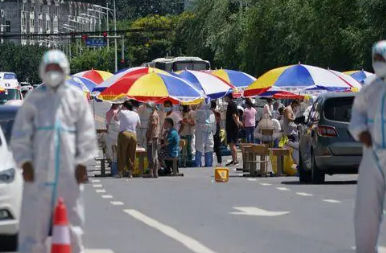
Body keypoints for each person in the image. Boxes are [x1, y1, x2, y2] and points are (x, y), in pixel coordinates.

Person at [10, 50, 97, 253]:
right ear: (42, 71)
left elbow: (86, 132)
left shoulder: (75, 98)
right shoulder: (34, 99)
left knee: (73, 220)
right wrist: (25, 163)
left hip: (69, 170)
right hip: (38, 172)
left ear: (64, 70)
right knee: (33, 223)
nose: (53, 72)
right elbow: (21, 133)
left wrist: (82, 162)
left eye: (57, 69)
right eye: (49, 69)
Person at [349, 40, 386, 253]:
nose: (378, 63)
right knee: (366, 209)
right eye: (376, 59)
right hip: (373, 154)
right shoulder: (370, 87)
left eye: (382, 59)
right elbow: (358, 114)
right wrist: (361, 132)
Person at [116, 100, 140, 178]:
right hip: (133, 135)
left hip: (124, 134)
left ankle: (120, 172)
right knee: (132, 154)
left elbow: (115, 118)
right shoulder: (136, 114)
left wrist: (120, 109)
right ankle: (130, 172)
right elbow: (139, 125)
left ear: (124, 106)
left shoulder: (122, 112)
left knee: (121, 153)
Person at [192, 100, 216, 167]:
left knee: (204, 147)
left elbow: (193, 116)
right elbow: (214, 123)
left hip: (205, 131)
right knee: (205, 147)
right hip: (205, 131)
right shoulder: (210, 112)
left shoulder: (200, 112)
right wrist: (214, 131)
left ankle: (199, 164)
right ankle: (206, 164)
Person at [225, 93, 242, 166]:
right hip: (232, 127)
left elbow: (234, 116)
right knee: (231, 144)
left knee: (232, 144)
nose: (224, 98)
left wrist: (237, 123)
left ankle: (235, 160)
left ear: (228, 97)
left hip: (232, 127)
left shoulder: (231, 104)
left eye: (225, 97)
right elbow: (237, 115)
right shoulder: (233, 104)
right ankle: (233, 159)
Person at [145, 102, 160, 178]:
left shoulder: (154, 115)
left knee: (152, 155)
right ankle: (153, 172)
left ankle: (153, 172)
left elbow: (153, 127)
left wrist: (150, 139)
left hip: (152, 138)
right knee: (153, 155)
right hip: (153, 137)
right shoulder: (154, 114)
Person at [211, 100, 222, 166]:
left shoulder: (212, 114)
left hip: (213, 130)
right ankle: (219, 161)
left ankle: (212, 161)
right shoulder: (217, 114)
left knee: (213, 147)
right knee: (217, 147)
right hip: (217, 130)